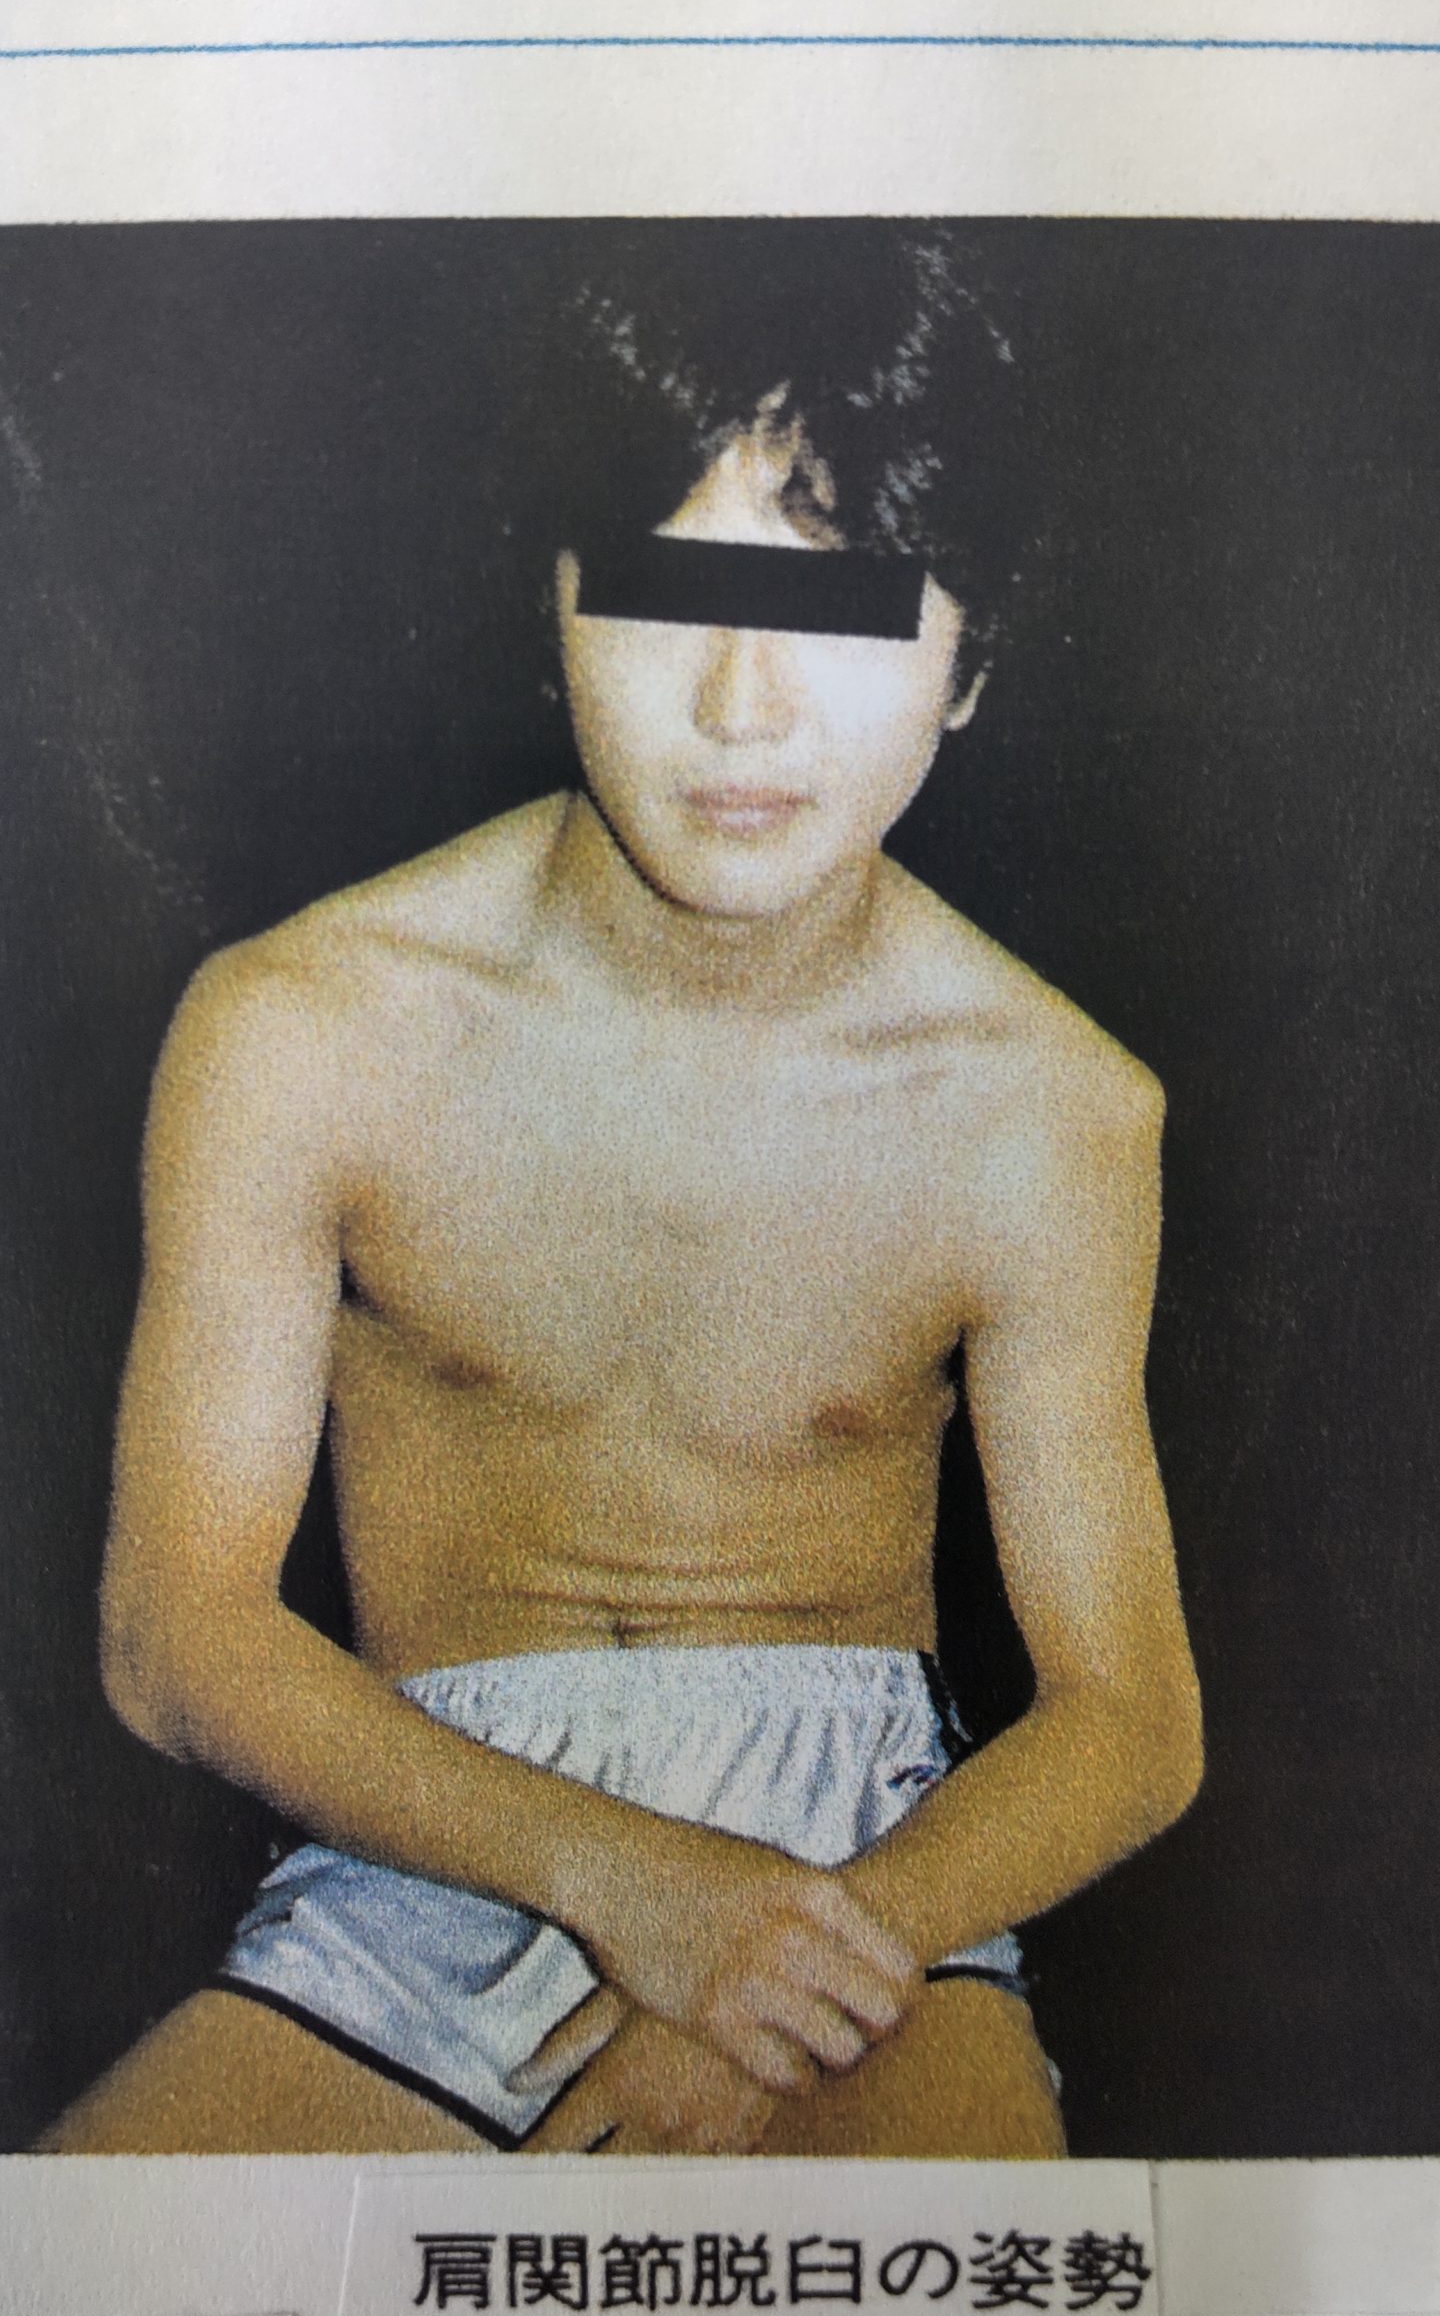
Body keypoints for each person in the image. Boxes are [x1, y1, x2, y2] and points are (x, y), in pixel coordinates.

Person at [39, 228, 1202, 2158]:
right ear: (558, 604)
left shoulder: (1047, 1107)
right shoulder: (302, 1025)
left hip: (866, 1893)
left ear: (972, 667)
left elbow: (1130, 1720)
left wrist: (796, 1965)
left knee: (967, 2305)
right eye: (669, 601)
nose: (745, 707)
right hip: (417, 1855)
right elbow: (174, 1636)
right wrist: (637, 1885)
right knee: (86, 2286)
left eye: (841, 613)